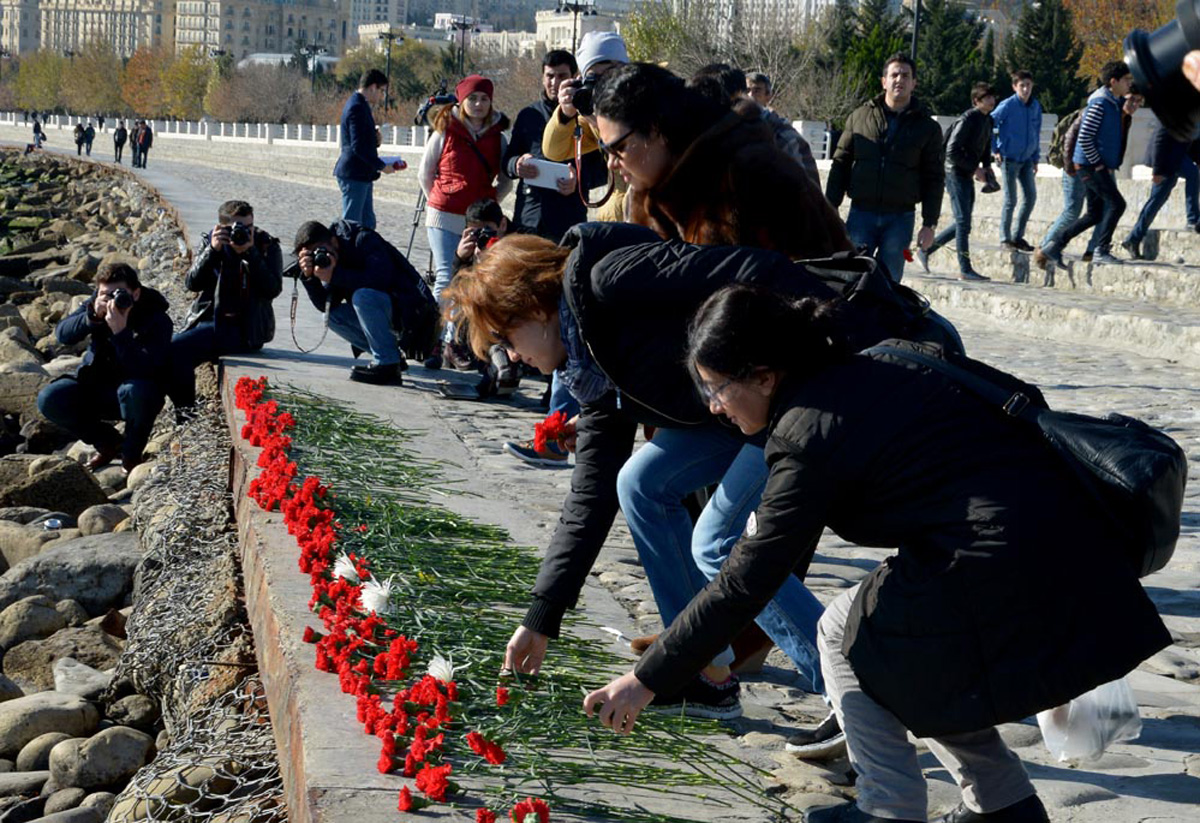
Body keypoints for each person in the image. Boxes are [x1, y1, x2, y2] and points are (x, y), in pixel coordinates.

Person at [581, 283, 1171, 823]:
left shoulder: (809, 430)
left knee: (846, 632)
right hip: (1062, 538)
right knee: (901, 648)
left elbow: (749, 576)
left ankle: (891, 808)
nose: (712, 405)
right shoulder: (876, 363)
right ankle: (1001, 803)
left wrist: (647, 678)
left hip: (1006, 555)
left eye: (716, 387)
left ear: (763, 375)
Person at [593, 62, 848, 259]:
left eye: (619, 148)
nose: (612, 163)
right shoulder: (643, 192)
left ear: (656, 129)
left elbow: (813, 287)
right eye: (606, 151)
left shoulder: (755, 174)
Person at [36, 261, 173, 473]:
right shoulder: (96, 305)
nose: (112, 300)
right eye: (105, 294)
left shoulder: (156, 318)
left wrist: (121, 334)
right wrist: (91, 318)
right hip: (97, 386)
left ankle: (131, 454)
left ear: (135, 294)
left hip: (136, 394)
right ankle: (109, 443)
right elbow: (63, 334)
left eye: (119, 294)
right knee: (50, 398)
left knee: (135, 391)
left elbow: (146, 368)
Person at [418, 74, 511, 371]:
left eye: (484, 98)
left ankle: (454, 341)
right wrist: (439, 198)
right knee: (447, 277)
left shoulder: (500, 137)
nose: (479, 104)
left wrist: (492, 200)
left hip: (479, 219)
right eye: (473, 98)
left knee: (471, 281)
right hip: (444, 216)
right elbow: (425, 172)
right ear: (462, 101)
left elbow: (506, 178)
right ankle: (436, 341)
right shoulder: (445, 130)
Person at [825, 52, 944, 282]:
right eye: (894, 74)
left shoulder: (927, 128)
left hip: (900, 218)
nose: (899, 80)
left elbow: (934, 178)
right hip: (861, 214)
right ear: (884, 81)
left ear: (914, 83)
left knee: (889, 283)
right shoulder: (859, 117)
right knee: (851, 278)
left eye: (905, 75)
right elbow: (840, 163)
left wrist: (929, 223)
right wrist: (831, 206)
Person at [170, 200, 284, 412]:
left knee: (175, 349)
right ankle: (184, 411)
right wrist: (212, 251)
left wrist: (251, 253)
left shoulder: (266, 245)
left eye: (248, 228)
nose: (244, 233)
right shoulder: (214, 242)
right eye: (236, 228)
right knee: (173, 355)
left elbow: (273, 290)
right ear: (221, 227)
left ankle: (185, 414)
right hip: (212, 322)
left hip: (246, 330)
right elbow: (192, 283)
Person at [293, 219, 436, 385]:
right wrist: (310, 277)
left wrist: (335, 275)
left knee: (363, 297)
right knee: (330, 316)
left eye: (320, 251)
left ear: (333, 241)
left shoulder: (363, 239)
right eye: (312, 255)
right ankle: (392, 356)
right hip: (391, 310)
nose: (320, 257)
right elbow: (326, 304)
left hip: (415, 311)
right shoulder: (334, 256)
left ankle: (387, 364)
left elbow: (381, 279)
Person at [1039, 63, 1137, 268]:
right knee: (1117, 204)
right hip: (1090, 166)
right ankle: (1101, 250)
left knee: (1094, 213)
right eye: (1126, 79)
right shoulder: (1100, 104)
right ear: (1113, 82)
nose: (1130, 83)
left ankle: (1054, 246)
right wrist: (1099, 165)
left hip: (1094, 165)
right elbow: (1085, 137)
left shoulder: (1113, 103)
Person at [505, 50, 598, 243]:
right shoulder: (528, 115)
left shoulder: (588, 117)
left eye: (562, 76)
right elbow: (507, 160)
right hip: (529, 216)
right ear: (542, 78)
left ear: (574, 77)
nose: (555, 82)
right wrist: (517, 165)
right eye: (549, 76)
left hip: (568, 219)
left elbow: (603, 168)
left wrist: (578, 181)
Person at [541, 30, 630, 222]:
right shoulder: (592, 116)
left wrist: (597, 121)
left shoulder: (648, 103)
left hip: (646, 216)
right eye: (593, 78)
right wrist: (565, 114)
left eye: (609, 75)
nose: (603, 85)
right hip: (615, 217)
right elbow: (553, 151)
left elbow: (631, 151)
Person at [917, 82, 997, 280]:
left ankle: (926, 250)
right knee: (962, 222)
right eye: (987, 97)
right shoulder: (968, 119)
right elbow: (951, 151)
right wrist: (974, 168)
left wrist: (986, 167)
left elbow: (985, 147)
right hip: (954, 173)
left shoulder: (988, 120)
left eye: (992, 97)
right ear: (976, 101)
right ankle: (965, 268)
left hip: (966, 173)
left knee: (964, 223)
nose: (992, 100)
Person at [690, 63, 819, 186]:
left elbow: (806, 189)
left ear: (768, 96)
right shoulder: (729, 133)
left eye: (757, 90)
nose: (750, 95)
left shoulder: (784, 136)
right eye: (747, 91)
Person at [1122, 121, 1200, 259]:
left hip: (1176, 159)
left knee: (1156, 201)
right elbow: (1159, 139)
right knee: (1192, 174)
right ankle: (1193, 219)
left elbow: (1195, 143)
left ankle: (1132, 239)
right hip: (1165, 159)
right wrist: (1157, 170)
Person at [333, 69, 396, 231]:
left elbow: (361, 141)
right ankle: (347, 255)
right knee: (352, 224)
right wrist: (381, 165)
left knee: (367, 223)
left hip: (362, 174)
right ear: (373, 87)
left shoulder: (361, 105)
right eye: (381, 91)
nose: (382, 95)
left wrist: (375, 140)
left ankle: (364, 254)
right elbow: (358, 147)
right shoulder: (357, 107)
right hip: (354, 173)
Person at [991, 70, 1043, 251]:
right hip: (1009, 158)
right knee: (1010, 200)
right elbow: (991, 124)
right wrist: (995, 148)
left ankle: (1017, 236)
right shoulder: (1007, 105)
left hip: (1027, 159)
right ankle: (1005, 238)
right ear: (1015, 87)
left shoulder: (1035, 106)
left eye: (1028, 85)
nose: (1026, 89)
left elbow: (1036, 132)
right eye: (1022, 85)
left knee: (1030, 197)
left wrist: (1036, 157)